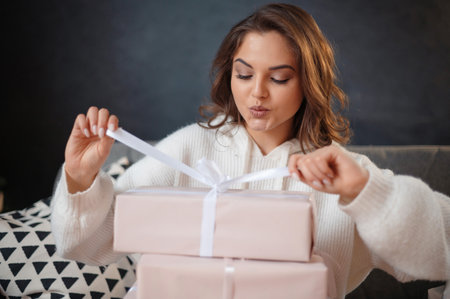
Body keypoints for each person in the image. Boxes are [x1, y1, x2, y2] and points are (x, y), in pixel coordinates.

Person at [51, 3, 449, 298]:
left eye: (278, 78)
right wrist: (80, 178)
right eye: (244, 75)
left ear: (308, 83)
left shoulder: (344, 173)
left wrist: (366, 193)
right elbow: (86, 245)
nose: (256, 93)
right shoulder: (190, 147)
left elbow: (440, 251)